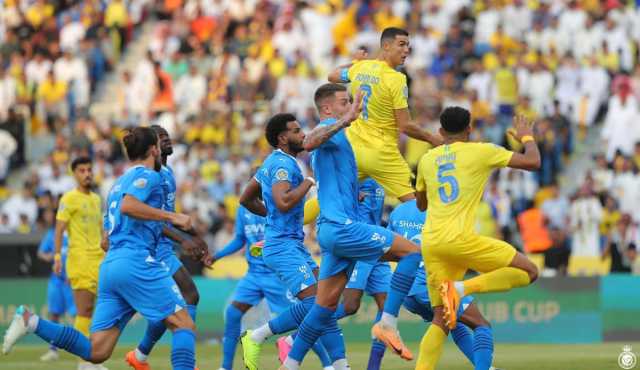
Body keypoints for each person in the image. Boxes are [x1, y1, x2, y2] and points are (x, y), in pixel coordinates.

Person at [2, 127, 198, 370]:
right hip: (136, 261)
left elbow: (105, 238)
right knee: (184, 325)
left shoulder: (116, 184)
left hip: (111, 266)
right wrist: (173, 217)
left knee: (97, 351)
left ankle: (30, 322)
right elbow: (129, 206)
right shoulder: (151, 176)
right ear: (153, 150)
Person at [280, 83, 423, 370]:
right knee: (412, 253)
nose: (352, 107)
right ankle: (387, 323)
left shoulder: (340, 136)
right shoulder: (331, 127)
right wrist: (344, 119)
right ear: (328, 108)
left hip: (333, 230)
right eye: (345, 102)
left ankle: (291, 362)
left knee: (325, 308)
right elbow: (308, 142)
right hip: (343, 228)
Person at [414, 108, 540, 370]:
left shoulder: (427, 159)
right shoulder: (482, 151)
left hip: (432, 243)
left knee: (442, 318)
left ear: (440, 132)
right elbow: (532, 163)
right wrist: (527, 138)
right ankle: (462, 289)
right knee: (529, 271)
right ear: (469, 130)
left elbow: (422, 205)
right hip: (460, 239)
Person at [238, 113, 334, 370]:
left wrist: (271, 215)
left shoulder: (271, 163)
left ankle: (330, 365)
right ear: (282, 138)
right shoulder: (285, 165)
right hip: (282, 246)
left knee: (327, 303)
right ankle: (257, 336)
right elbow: (283, 201)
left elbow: (245, 198)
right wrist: (308, 181)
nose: (303, 135)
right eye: (296, 131)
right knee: (316, 303)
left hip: (291, 244)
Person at [126, 125, 208, 370]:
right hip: (150, 247)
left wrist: (197, 238)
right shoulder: (151, 175)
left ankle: (140, 356)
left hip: (162, 245)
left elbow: (169, 216)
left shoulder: (168, 173)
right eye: (162, 138)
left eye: (168, 135)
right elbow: (150, 217)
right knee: (186, 295)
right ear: (153, 146)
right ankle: (181, 360)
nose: (168, 140)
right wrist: (183, 240)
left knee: (180, 300)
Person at [212, 202, 332, 370]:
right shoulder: (243, 209)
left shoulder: (278, 204)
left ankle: (327, 364)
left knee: (303, 316)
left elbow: (290, 233)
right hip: (253, 274)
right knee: (233, 313)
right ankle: (225, 367)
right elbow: (240, 239)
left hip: (276, 274)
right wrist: (217, 256)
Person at [328, 27, 442, 202]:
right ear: (386, 46)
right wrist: (431, 138)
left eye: (408, 46)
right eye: (401, 44)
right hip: (381, 154)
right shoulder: (397, 79)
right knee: (418, 205)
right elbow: (405, 125)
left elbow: (332, 75)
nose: (406, 50)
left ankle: (273, 224)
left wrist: (354, 62)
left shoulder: (361, 67)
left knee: (329, 198)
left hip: (354, 149)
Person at [389, 199, 502, 370]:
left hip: (405, 288)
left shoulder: (399, 211)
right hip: (432, 282)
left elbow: (388, 246)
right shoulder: (442, 210)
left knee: (453, 325)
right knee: (481, 325)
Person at [54, 156, 105, 369]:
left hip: (99, 260)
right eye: (82, 170)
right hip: (80, 259)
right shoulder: (69, 198)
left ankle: (91, 356)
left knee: (96, 311)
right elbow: (59, 230)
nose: (87, 174)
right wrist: (57, 257)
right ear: (74, 174)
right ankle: (84, 361)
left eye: (89, 170)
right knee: (84, 310)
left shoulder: (96, 199)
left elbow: (101, 230)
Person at [334, 178, 390, 370]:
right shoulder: (352, 175)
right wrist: (348, 199)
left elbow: (373, 216)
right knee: (350, 306)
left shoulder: (380, 175)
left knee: (388, 306)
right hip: (360, 246)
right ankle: (297, 337)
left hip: (377, 243)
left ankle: (373, 367)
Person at [36, 208, 76, 362]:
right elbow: (41, 253)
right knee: (54, 314)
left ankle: (78, 347)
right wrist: (50, 257)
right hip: (56, 280)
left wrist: (74, 272)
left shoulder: (74, 233)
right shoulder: (52, 233)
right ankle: (53, 350)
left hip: (72, 280)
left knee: (75, 316)